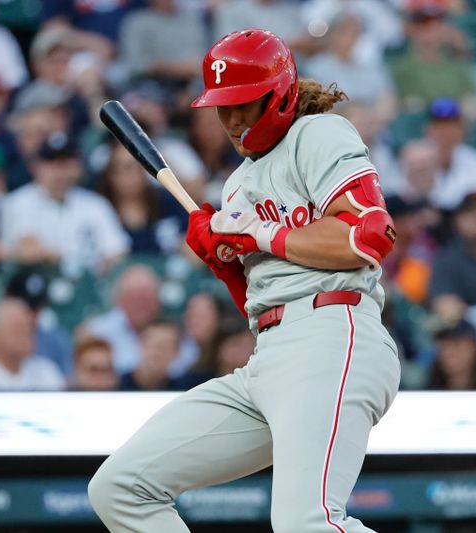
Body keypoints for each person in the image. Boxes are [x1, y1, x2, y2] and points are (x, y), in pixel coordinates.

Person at [88, 29, 400, 533]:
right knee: (122, 488)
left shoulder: (317, 133)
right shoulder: (237, 185)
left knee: (306, 523)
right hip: (271, 355)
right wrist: (226, 263)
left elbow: (369, 235)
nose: (232, 119)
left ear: (278, 94)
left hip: (332, 331)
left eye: (245, 104)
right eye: (222, 106)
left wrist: (262, 234)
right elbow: (261, 302)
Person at [0, 131, 130, 272]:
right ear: (35, 166)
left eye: (66, 163)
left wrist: (62, 257)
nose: (59, 171)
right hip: (34, 285)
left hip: (88, 286)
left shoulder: (95, 204)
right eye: (51, 162)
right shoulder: (16, 203)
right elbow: (25, 250)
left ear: (78, 167)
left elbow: (117, 252)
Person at [0, 268, 75, 376]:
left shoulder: (56, 341)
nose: (29, 314)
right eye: (22, 305)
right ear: (5, 299)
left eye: (35, 307)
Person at [97, 141, 188, 254]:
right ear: (108, 174)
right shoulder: (98, 207)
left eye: (130, 167)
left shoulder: (167, 200)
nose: (124, 176)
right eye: (116, 169)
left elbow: (191, 239)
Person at [82, 264, 164, 375]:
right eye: (135, 298)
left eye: (147, 298)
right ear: (120, 300)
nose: (141, 305)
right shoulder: (97, 331)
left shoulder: (171, 331)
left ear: (158, 301)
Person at [391, 1, 473, 109]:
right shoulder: (400, 69)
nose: (433, 28)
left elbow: (470, 106)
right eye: (424, 22)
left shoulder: (458, 67)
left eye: (438, 21)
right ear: (410, 27)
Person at [424, 97, 476, 210]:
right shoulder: (414, 158)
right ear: (428, 129)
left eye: (451, 125)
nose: (446, 131)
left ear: (462, 129)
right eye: (439, 125)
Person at [118, 320, 185, 391]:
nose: (158, 353)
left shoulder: (184, 390)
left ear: (177, 352)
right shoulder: (115, 386)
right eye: (154, 345)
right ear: (140, 345)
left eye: (165, 346)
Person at [426, 319, 476, 391]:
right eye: (443, 346)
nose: (448, 353)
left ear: (474, 348)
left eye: (456, 344)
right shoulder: (422, 394)